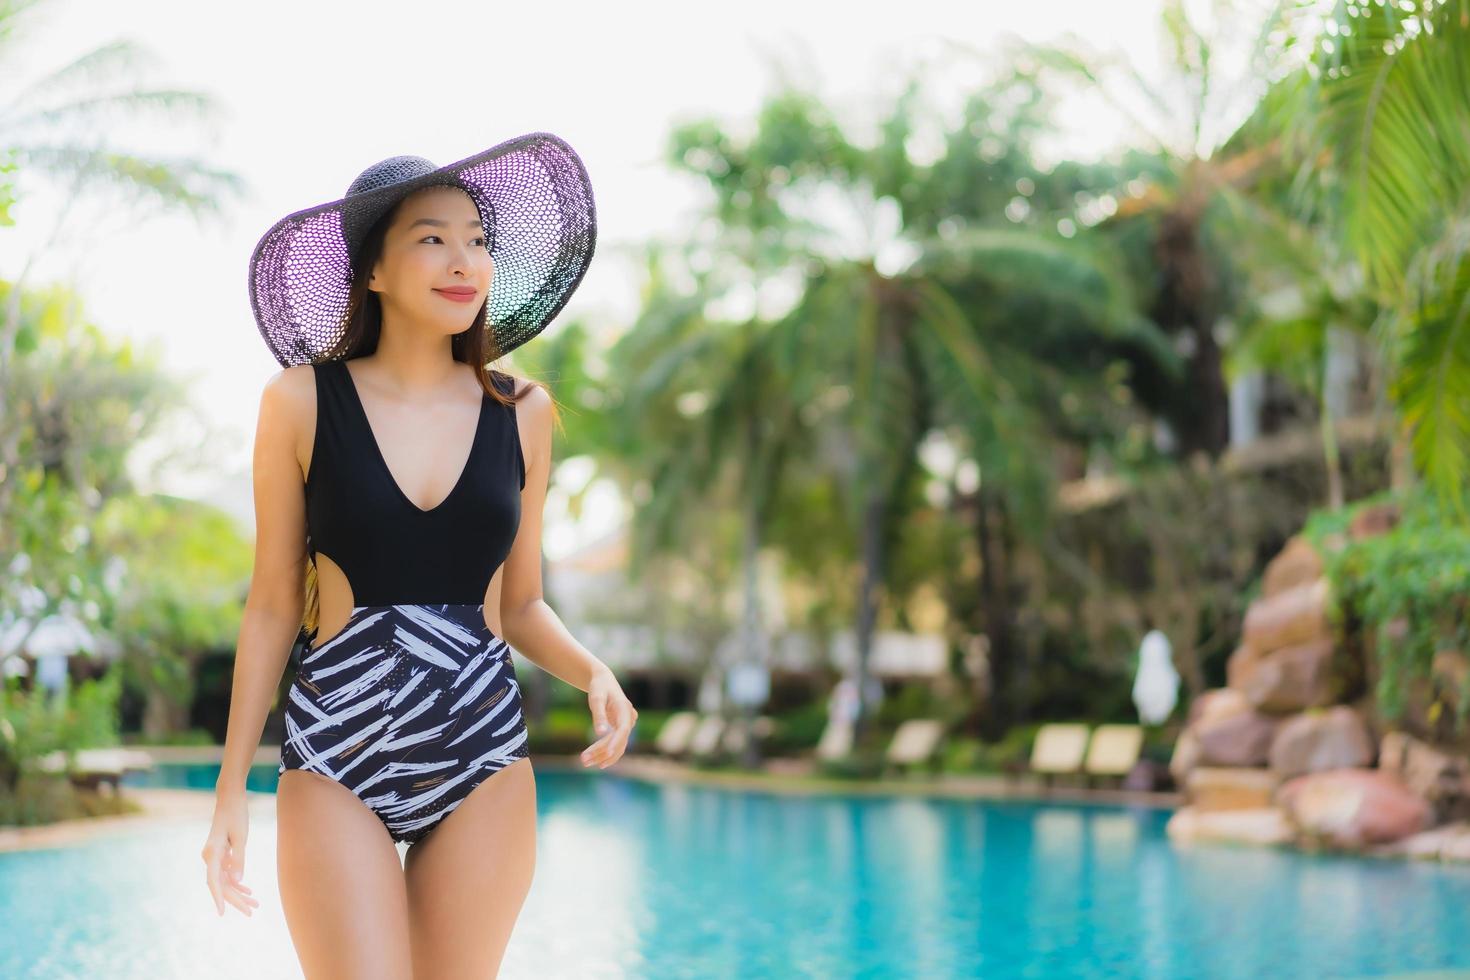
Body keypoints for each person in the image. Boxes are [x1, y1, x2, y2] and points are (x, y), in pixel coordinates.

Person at [202, 134, 636, 978]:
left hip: (482, 755)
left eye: (477, 239)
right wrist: (230, 790)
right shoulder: (299, 402)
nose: (463, 259)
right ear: (372, 271)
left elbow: (520, 606)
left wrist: (597, 675)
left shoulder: (525, 412)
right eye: (432, 238)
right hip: (337, 752)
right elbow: (272, 605)